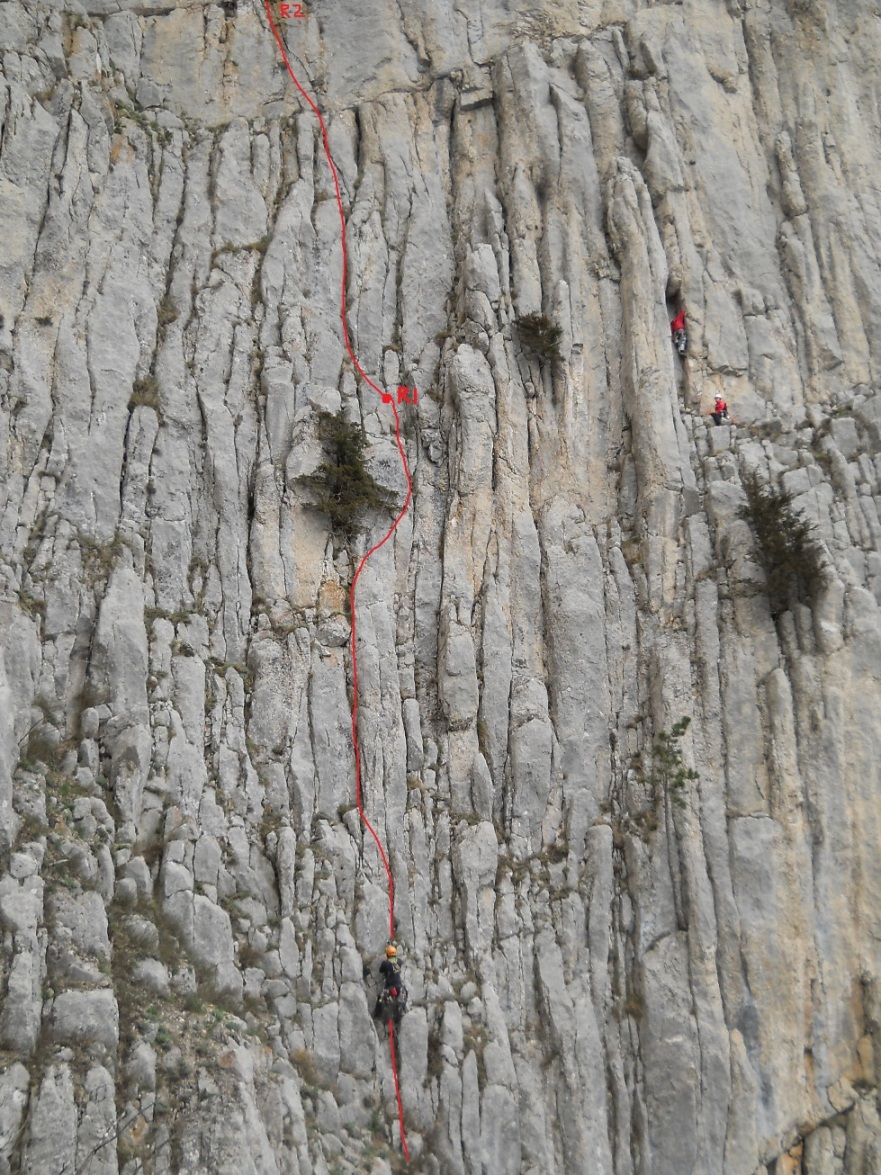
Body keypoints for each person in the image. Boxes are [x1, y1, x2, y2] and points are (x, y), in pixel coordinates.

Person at [374, 943, 406, 1022]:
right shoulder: (398, 961)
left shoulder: (385, 963)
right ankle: (402, 1010)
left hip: (390, 987)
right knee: (403, 997)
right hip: (399, 986)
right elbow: (398, 964)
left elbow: (381, 970)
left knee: (380, 998)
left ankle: (377, 1016)